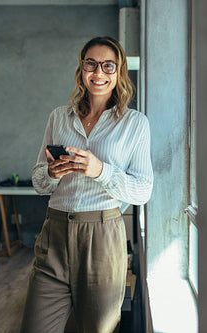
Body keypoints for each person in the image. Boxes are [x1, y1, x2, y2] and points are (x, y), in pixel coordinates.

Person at [20, 36, 154, 333]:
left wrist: (100, 170)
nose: (98, 72)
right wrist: (53, 174)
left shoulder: (135, 124)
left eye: (108, 66)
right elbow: (39, 182)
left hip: (102, 238)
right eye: (91, 63)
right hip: (54, 233)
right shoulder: (59, 117)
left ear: (119, 73)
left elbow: (143, 190)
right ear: (81, 69)